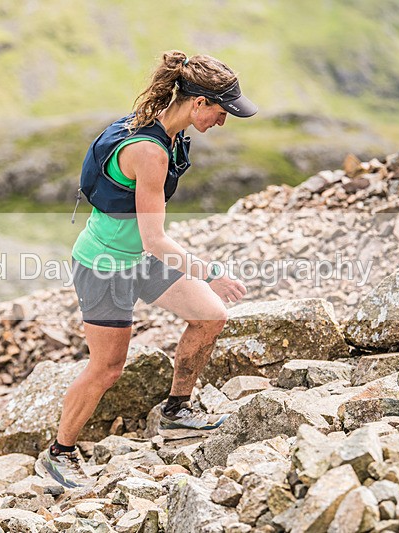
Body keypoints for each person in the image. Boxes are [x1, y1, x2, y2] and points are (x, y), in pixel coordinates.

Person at [35, 50, 257, 489]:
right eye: (221, 111)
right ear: (197, 103)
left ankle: (177, 412)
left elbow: (150, 243)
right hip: (103, 266)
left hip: (139, 260)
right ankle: (57, 454)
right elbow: (156, 239)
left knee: (210, 316)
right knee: (107, 367)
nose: (223, 121)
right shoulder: (149, 150)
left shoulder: (166, 130)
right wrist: (211, 271)